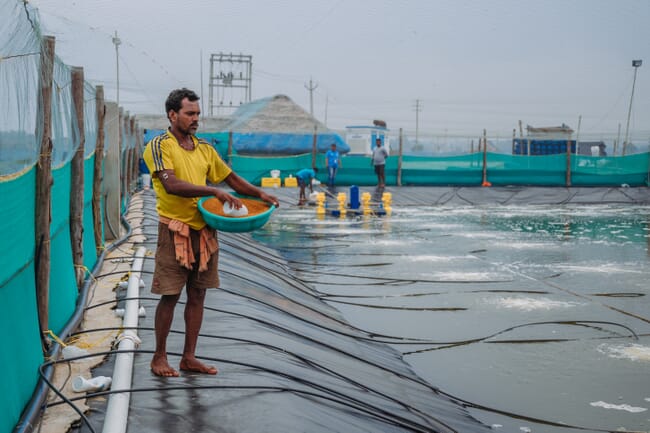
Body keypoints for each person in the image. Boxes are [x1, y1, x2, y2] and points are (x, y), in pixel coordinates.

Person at [143, 88, 279, 377]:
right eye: (189, 113)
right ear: (172, 114)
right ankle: (159, 357)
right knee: (170, 294)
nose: (195, 119)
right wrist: (212, 190)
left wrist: (260, 194)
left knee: (198, 294)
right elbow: (171, 185)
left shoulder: (204, 148)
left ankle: (189, 357)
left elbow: (229, 177)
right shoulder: (159, 146)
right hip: (174, 229)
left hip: (204, 229)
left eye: (197, 114)